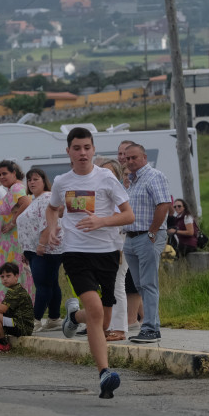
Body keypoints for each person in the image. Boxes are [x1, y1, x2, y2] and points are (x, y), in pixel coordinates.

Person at [40, 127, 134, 399]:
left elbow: (128, 215)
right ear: (68, 151)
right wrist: (53, 226)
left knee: (101, 321)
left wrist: (101, 221)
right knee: (94, 309)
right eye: (77, 148)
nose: (82, 153)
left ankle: (73, 316)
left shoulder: (106, 178)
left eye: (86, 148)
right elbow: (52, 207)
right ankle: (105, 373)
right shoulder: (61, 181)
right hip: (75, 253)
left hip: (107, 253)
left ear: (93, 149)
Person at [123, 143, 171, 344]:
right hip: (131, 237)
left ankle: (151, 328)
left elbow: (163, 204)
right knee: (140, 284)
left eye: (134, 157)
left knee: (149, 283)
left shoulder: (154, 176)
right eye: (127, 158)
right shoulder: (132, 181)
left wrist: (152, 231)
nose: (131, 161)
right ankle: (152, 325)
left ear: (144, 157)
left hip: (147, 235)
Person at [17, 168, 63, 333]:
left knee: (43, 285)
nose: (32, 182)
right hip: (33, 249)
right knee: (51, 284)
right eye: (29, 180)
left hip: (46, 249)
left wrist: (42, 245)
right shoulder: (34, 199)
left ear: (44, 181)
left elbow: (48, 223)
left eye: (36, 179)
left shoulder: (47, 198)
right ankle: (54, 318)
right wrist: (25, 249)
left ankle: (35, 319)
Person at [94, 157, 128, 342]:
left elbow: (122, 217)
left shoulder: (118, 193)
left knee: (117, 284)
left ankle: (120, 328)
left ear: (117, 175)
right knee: (107, 287)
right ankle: (108, 325)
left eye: (109, 172)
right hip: (104, 245)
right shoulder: (101, 194)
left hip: (118, 242)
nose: (104, 176)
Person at [0, 160, 31, 300]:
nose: (1, 177)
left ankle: (10, 305)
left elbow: (26, 202)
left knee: (11, 274)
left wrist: (12, 223)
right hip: (6, 244)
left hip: (11, 243)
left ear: (14, 173)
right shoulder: (13, 188)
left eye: (5, 173)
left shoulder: (16, 188)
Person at [117, 140, 143, 331]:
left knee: (132, 280)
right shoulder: (119, 183)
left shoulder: (141, 180)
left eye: (126, 154)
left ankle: (133, 319)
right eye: (120, 154)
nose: (123, 158)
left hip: (136, 235)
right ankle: (144, 316)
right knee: (126, 280)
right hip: (121, 236)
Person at [0, 262, 34, 354]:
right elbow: (3, 310)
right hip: (17, 323)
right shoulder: (13, 290)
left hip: (22, 327)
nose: (5, 279)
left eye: (8, 276)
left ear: (16, 276)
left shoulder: (16, 291)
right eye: (2, 277)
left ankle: (2, 344)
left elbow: (3, 309)